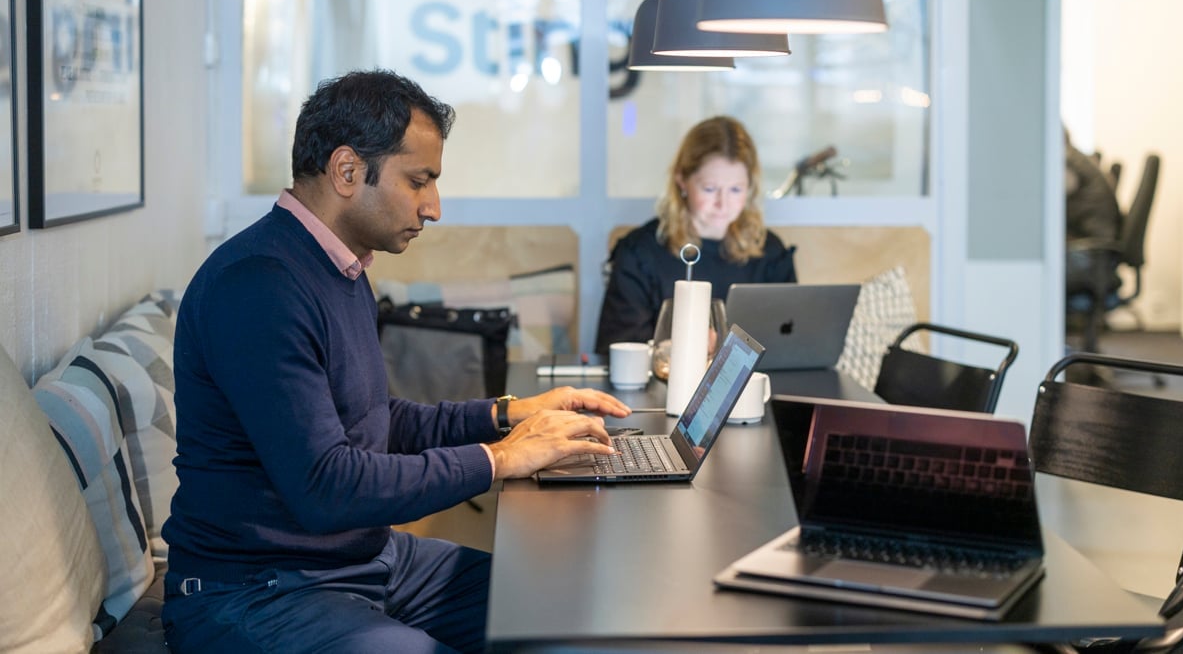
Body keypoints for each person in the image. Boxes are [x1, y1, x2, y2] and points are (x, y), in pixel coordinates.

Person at [161, 69, 631, 654]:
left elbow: (376, 420)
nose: (433, 207)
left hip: (364, 562)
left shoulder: (341, 268)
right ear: (347, 170)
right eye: (418, 181)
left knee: (561, 604)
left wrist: (508, 414)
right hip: (257, 592)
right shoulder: (260, 286)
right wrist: (500, 459)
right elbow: (326, 486)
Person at [595, 115, 796, 353]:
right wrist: (676, 347)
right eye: (710, 189)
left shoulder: (770, 252)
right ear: (682, 179)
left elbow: (791, 338)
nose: (722, 204)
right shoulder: (640, 253)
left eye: (735, 189)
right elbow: (617, 346)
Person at [1063, 128, 1122, 298]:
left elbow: (1050, 204)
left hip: (1091, 252)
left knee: (1033, 268)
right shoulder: (1074, 157)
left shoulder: (1067, 163)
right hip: (1095, 248)